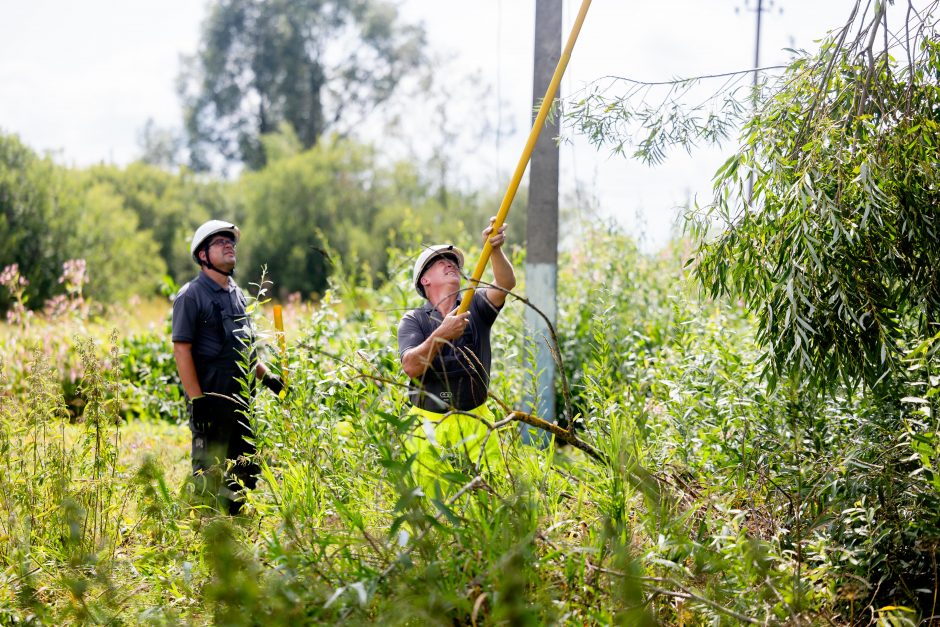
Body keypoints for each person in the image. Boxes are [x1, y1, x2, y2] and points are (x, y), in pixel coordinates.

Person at [171, 220, 284, 514]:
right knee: (210, 471)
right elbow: (182, 350)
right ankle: (207, 534)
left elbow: (244, 350)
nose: (229, 245)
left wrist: (268, 378)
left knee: (245, 470)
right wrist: (197, 401)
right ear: (203, 255)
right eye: (220, 242)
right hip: (210, 400)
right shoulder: (190, 296)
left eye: (230, 241)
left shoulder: (238, 294)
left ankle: (235, 530)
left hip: (242, 400)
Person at [397, 217, 516, 477]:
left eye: (453, 263)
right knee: (434, 507)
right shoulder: (413, 321)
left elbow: (505, 283)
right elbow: (411, 366)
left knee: (489, 502)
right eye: (440, 262)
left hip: (477, 422)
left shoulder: (477, 305)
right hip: (427, 426)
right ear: (424, 281)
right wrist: (442, 334)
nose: (449, 264)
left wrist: (494, 249)